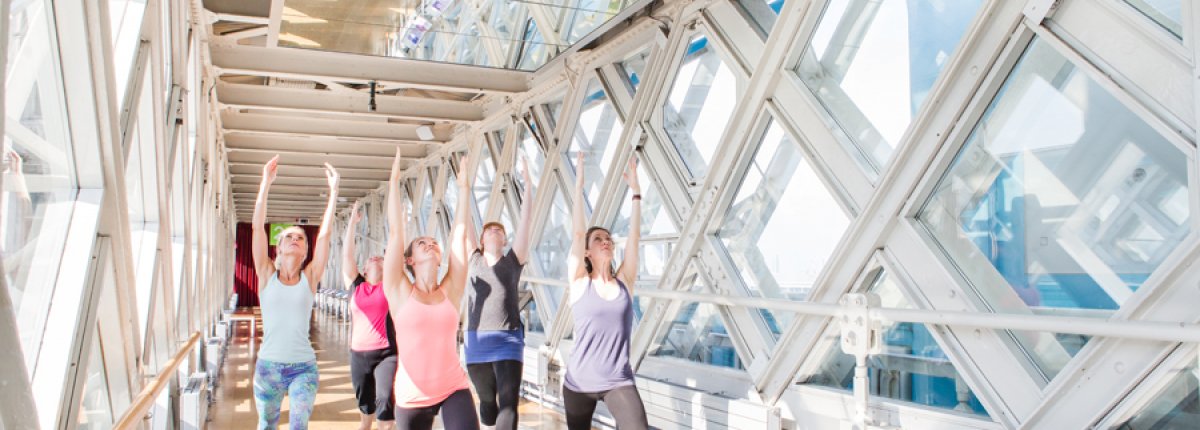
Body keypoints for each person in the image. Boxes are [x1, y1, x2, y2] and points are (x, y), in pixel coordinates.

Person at [382, 150, 480, 430]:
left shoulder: (451, 289)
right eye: (422, 243)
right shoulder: (400, 291)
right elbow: (395, 234)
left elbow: (459, 235)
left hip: (453, 387)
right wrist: (393, 183)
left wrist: (464, 190)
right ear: (409, 260)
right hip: (412, 395)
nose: (431, 244)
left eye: (434, 242)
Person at [251, 155, 340, 430]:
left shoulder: (310, 277)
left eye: (300, 237)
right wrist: (265, 183)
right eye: (288, 236)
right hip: (268, 368)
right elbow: (257, 228)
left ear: (305, 250)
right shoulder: (266, 275)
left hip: (304, 367)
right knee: (267, 425)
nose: (294, 239)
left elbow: (324, 237)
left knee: (299, 426)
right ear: (278, 247)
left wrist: (334, 193)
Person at [562, 154, 648, 430]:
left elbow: (634, 238)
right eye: (598, 239)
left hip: (618, 380)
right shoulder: (579, 283)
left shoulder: (625, 281)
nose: (606, 241)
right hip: (578, 383)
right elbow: (577, 233)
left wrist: (636, 194)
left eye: (609, 238)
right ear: (587, 251)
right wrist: (578, 189)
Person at [463, 157, 535, 430]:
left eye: (500, 230)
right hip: (476, 343)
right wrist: (464, 185)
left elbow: (527, 221)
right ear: (481, 240)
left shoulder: (513, 261)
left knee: (508, 403)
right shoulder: (474, 260)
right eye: (489, 230)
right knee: (487, 405)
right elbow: (466, 218)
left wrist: (527, 185)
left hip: (508, 340)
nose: (494, 231)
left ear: (505, 241)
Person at [343, 200, 398, 430]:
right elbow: (347, 256)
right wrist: (352, 225)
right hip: (359, 355)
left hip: (387, 353)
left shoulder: (391, 286)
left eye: (380, 258)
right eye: (370, 259)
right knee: (366, 410)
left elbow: (396, 247)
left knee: (385, 400)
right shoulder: (356, 286)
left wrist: (398, 224)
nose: (375, 258)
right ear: (364, 269)